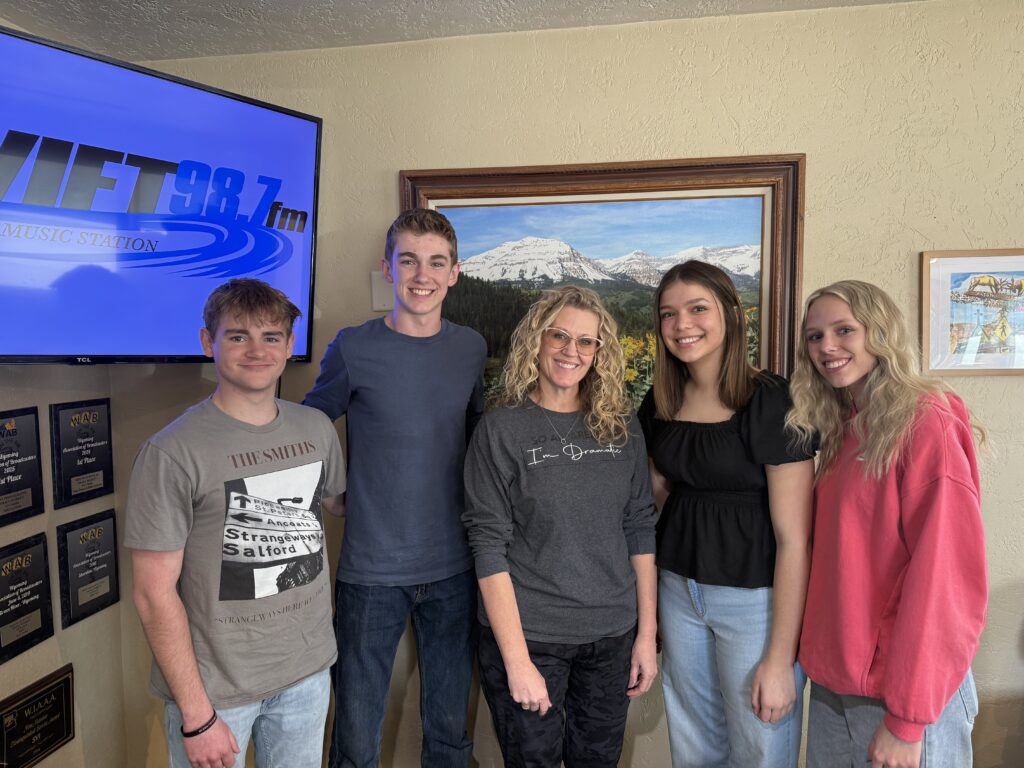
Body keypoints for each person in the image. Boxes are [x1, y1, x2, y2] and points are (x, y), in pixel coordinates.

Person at [125, 278, 346, 768]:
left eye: (271, 337)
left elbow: (336, 504)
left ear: (289, 346)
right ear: (209, 342)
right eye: (238, 336)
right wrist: (197, 715)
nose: (256, 351)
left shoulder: (315, 429)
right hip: (215, 694)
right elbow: (152, 593)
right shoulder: (171, 452)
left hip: (307, 674)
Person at [303, 208, 486, 768]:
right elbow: (307, 426)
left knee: (450, 734)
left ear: (454, 272)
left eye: (436, 262)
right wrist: (326, 489)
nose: (422, 275)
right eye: (408, 261)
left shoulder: (471, 348)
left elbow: (480, 435)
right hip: (370, 572)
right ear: (388, 269)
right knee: (356, 738)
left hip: (454, 566)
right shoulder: (353, 347)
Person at [786, 280, 987, 768]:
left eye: (844, 330)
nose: (826, 347)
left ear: (880, 333)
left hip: (904, 695)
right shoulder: (845, 425)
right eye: (814, 336)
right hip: (837, 687)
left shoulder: (926, 422)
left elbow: (946, 581)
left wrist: (907, 720)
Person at [463, 285, 658, 768]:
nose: (572, 351)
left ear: (599, 352)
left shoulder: (621, 425)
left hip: (611, 637)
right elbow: (487, 544)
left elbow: (639, 525)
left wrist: (646, 636)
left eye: (586, 341)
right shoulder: (501, 428)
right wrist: (516, 662)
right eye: (559, 336)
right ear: (536, 339)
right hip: (532, 637)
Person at [637, 260, 814, 768]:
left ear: (732, 315)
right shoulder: (662, 400)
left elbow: (796, 540)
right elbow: (654, 497)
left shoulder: (773, 400)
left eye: (698, 309)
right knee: (694, 743)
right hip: (678, 589)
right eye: (668, 314)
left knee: (761, 746)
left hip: (755, 600)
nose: (682, 325)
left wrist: (780, 658)